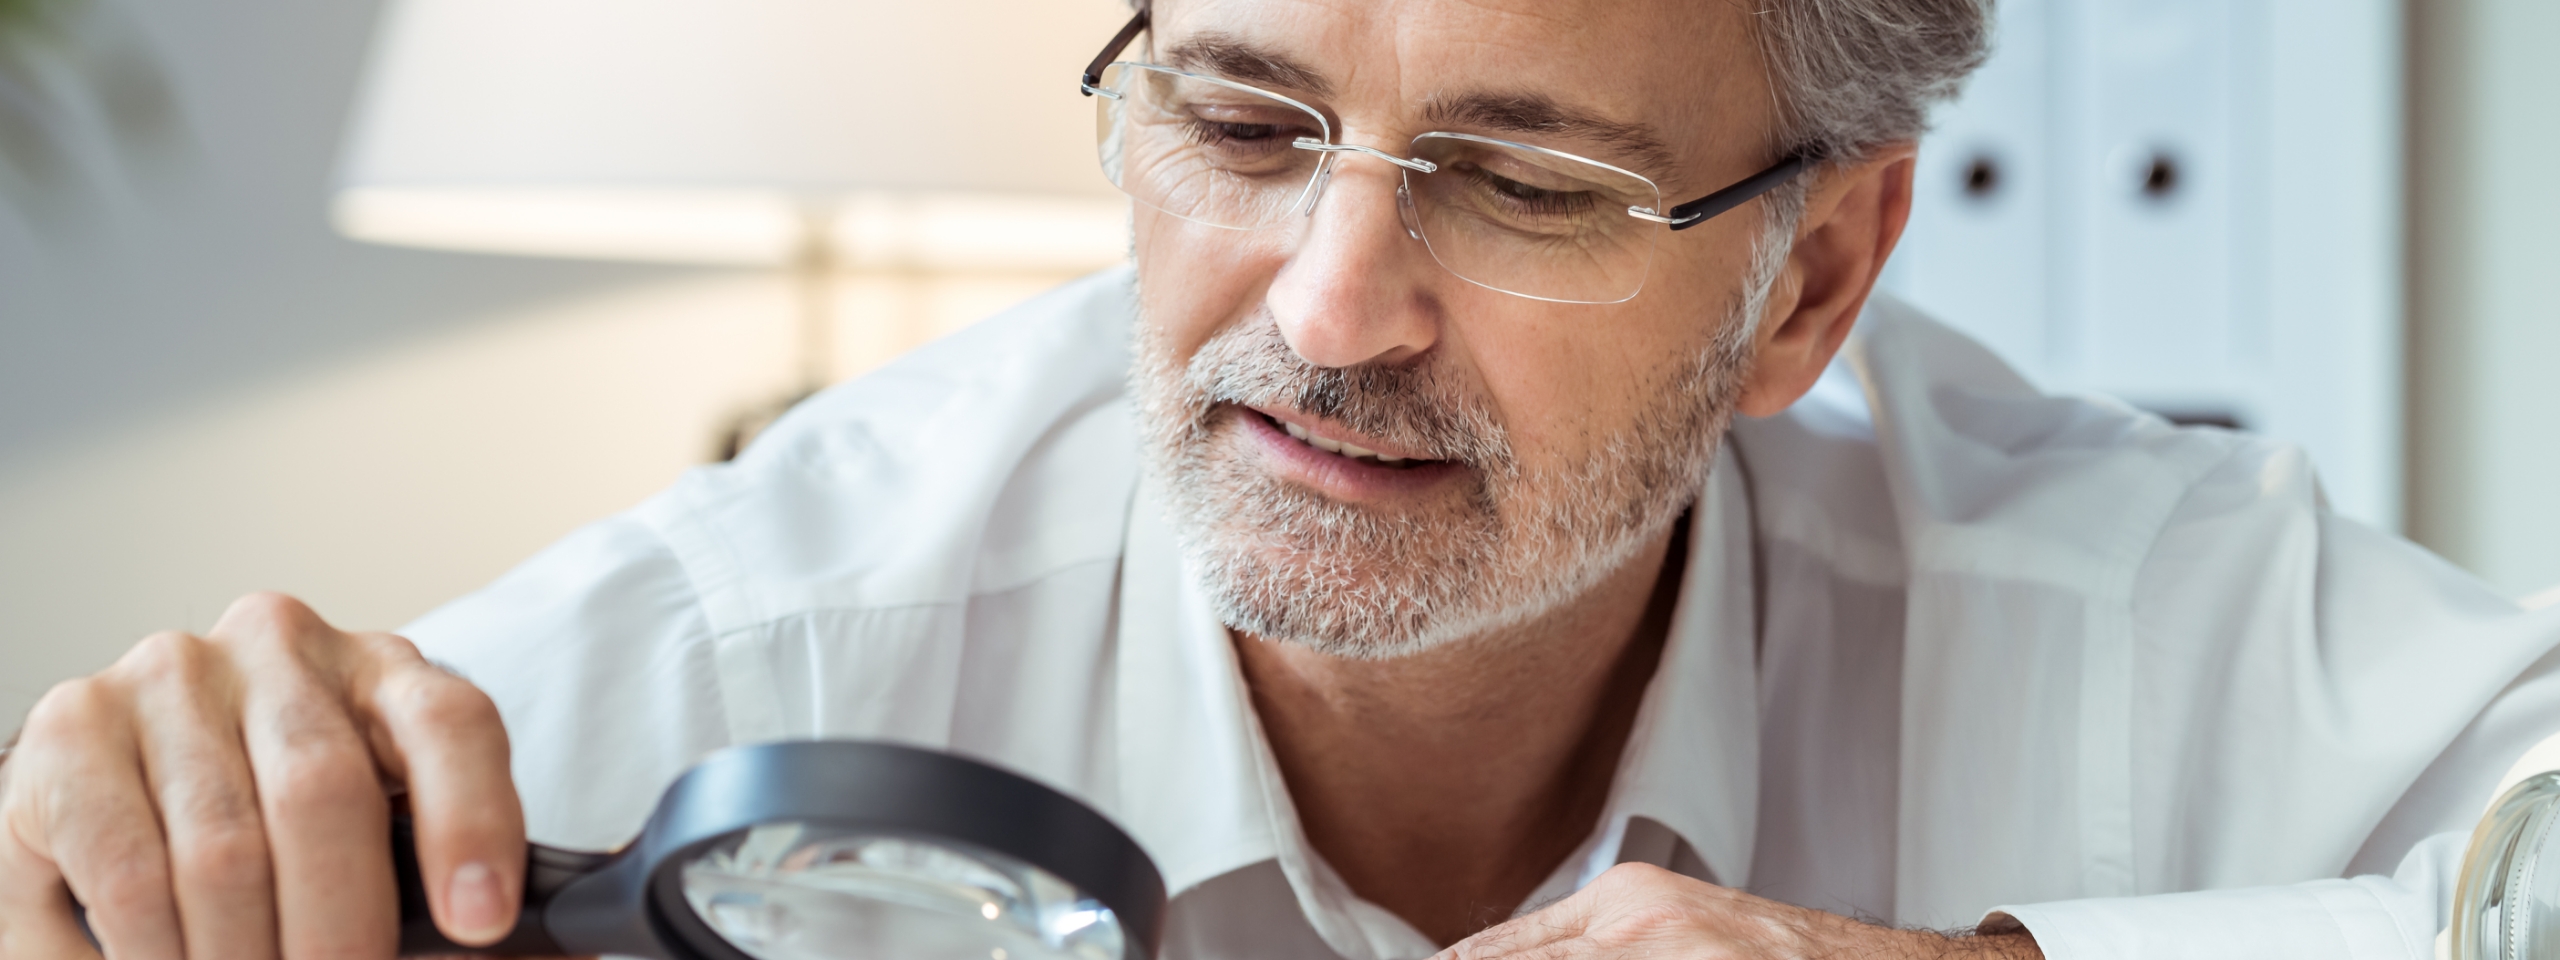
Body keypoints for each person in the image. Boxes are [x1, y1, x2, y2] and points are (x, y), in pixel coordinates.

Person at [6, 0, 2559, 957]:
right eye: (1238, 122)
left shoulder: (2133, 611)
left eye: (1524, 182)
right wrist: (128, 859)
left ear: (1805, 284)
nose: (1328, 313)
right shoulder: (712, 673)